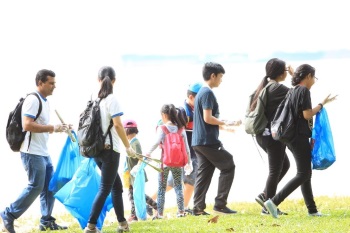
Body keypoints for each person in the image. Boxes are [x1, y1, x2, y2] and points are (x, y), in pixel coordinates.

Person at [0, 69, 70, 233]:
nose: (54, 86)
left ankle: (46, 221)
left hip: (43, 152)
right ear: (40, 83)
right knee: (35, 186)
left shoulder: (45, 101)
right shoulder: (33, 99)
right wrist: (53, 128)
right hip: (31, 152)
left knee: (49, 186)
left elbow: (39, 125)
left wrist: (62, 128)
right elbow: (27, 125)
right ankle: (8, 214)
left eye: (54, 83)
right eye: (51, 83)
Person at [264, 64, 337, 218]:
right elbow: (307, 114)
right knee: (304, 173)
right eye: (314, 78)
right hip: (298, 136)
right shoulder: (303, 91)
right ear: (308, 76)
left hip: (289, 137)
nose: (314, 81)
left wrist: (292, 73)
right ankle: (273, 202)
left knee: (305, 173)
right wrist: (322, 104)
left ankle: (312, 210)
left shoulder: (294, 90)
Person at [83, 66, 137, 233]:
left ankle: (122, 224)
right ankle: (90, 226)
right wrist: (128, 147)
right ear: (114, 81)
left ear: (98, 80)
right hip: (110, 151)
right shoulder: (112, 99)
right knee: (105, 188)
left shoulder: (94, 100)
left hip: (96, 150)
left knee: (116, 187)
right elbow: (118, 125)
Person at [191, 62, 242, 216]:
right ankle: (220, 204)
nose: (221, 80)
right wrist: (226, 122)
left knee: (204, 173)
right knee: (228, 165)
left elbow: (206, 118)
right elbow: (208, 118)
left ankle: (198, 208)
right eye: (220, 77)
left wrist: (225, 126)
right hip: (208, 141)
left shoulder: (201, 92)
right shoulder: (207, 93)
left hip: (198, 141)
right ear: (212, 76)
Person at [150, 82, 202, 213]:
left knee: (173, 183)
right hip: (185, 153)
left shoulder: (192, 110)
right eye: (200, 98)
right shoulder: (184, 111)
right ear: (191, 97)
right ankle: (182, 208)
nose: (203, 101)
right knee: (187, 182)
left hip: (178, 155)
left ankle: (151, 202)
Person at [251, 58, 293, 215]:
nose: (287, 74)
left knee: (285, 165)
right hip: (272, 136)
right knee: (275, 170)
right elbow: (299, 94)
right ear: (281, 72)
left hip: (262, 135)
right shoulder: (277, 88)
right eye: (286, 71)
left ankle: (265, 195)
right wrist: (295, 76)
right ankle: (268, 207)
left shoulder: (265, 86)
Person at [146, 104, 193, 220]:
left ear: (164, 115)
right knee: (178, 187)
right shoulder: (181, 129)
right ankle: (181, 211)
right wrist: (189, 163)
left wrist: (148, 153)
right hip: (177, 163)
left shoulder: (163, 129)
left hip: (164, 163)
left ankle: (160, 214)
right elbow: (187, 148)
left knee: (161, 188)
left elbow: (156, 142)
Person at [122, 119, 158, 222]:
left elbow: (140, 157)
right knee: (136, 194)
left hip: (135, 173)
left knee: (134, 195)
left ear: (127, 131)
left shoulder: (135, 143)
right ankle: (156, 207)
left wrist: (136, 169)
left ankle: (134, 215)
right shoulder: (131, 142)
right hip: (130, 173)